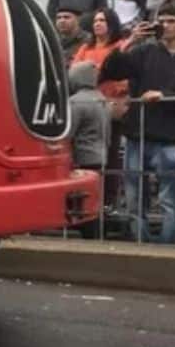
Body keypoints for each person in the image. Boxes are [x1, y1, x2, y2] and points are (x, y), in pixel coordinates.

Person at [99, 3, 175, 244]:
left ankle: (169, 245)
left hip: (170, 135)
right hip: (137, 133)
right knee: (134, 196)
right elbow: (110, 71)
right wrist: (129, 41)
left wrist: (165, 96)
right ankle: (141, 242)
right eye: (162, 21)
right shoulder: (144, 52)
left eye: (171, 21)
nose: (165, 26)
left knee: (170, 198)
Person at [73, 8, 130, 209]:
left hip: (112, 109)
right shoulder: (85, 48)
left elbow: (124, 79)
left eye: (103, 20)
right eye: (96, 20)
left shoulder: (121, 46)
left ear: (112, 24)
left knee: (111, 155)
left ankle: (109, 201)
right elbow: (75, 72)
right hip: (88, 109)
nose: (98, 24)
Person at [68, 61, 110, 239]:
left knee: (83, 200)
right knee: (95, 198)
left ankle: (90, 233)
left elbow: (69, 132)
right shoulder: (102, 99)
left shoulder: (76, 102)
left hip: (82, 156)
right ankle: (97, 232)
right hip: (100, 154)